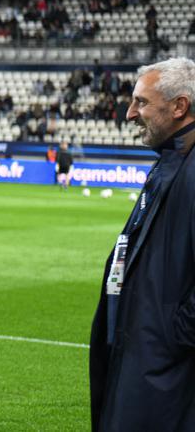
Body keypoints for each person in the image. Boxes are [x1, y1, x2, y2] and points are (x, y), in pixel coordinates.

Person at [89, 58, 195, 431]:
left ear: (179, 107)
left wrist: (170, 335)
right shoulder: (171, 161)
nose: (130, 113)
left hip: (165, 370)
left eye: (141, 102)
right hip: (143, 359)